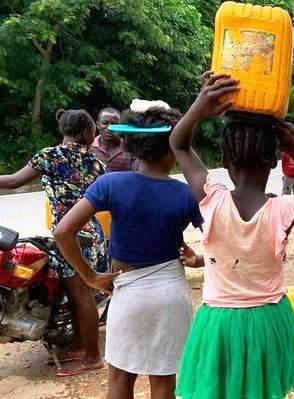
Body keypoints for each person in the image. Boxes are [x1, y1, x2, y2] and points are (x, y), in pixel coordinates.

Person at [170, 73, 294, 399]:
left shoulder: (212, 198)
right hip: (268, 319)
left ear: (224, 161)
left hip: (218, 323)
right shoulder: (283, 210)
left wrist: (199, 107)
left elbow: (178, 143)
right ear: (274, 163)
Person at [54, 103, 203, 399]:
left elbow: (62, 232)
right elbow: (219, 238)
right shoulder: (186, 193)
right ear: (175, 149)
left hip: (128, 292)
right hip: (170, 295)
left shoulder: (111, 183)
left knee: (121, 378)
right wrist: (198, 260)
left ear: (133, 145)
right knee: (164, 381)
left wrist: (91, 276)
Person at [0, 109, 107, 376]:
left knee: (81, 295)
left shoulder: (49, 156)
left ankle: (93, 357)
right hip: (87, 232)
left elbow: (13, 181)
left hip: (69, 234)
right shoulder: (96, 163)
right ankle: (81, 346)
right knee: (75, 293)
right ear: (86, 132)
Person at [90, 107, 136, 172]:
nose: (110, 128)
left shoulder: (129, 149)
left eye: (114, 124)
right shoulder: (89, 148)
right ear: (97, 125)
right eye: (105, 123)